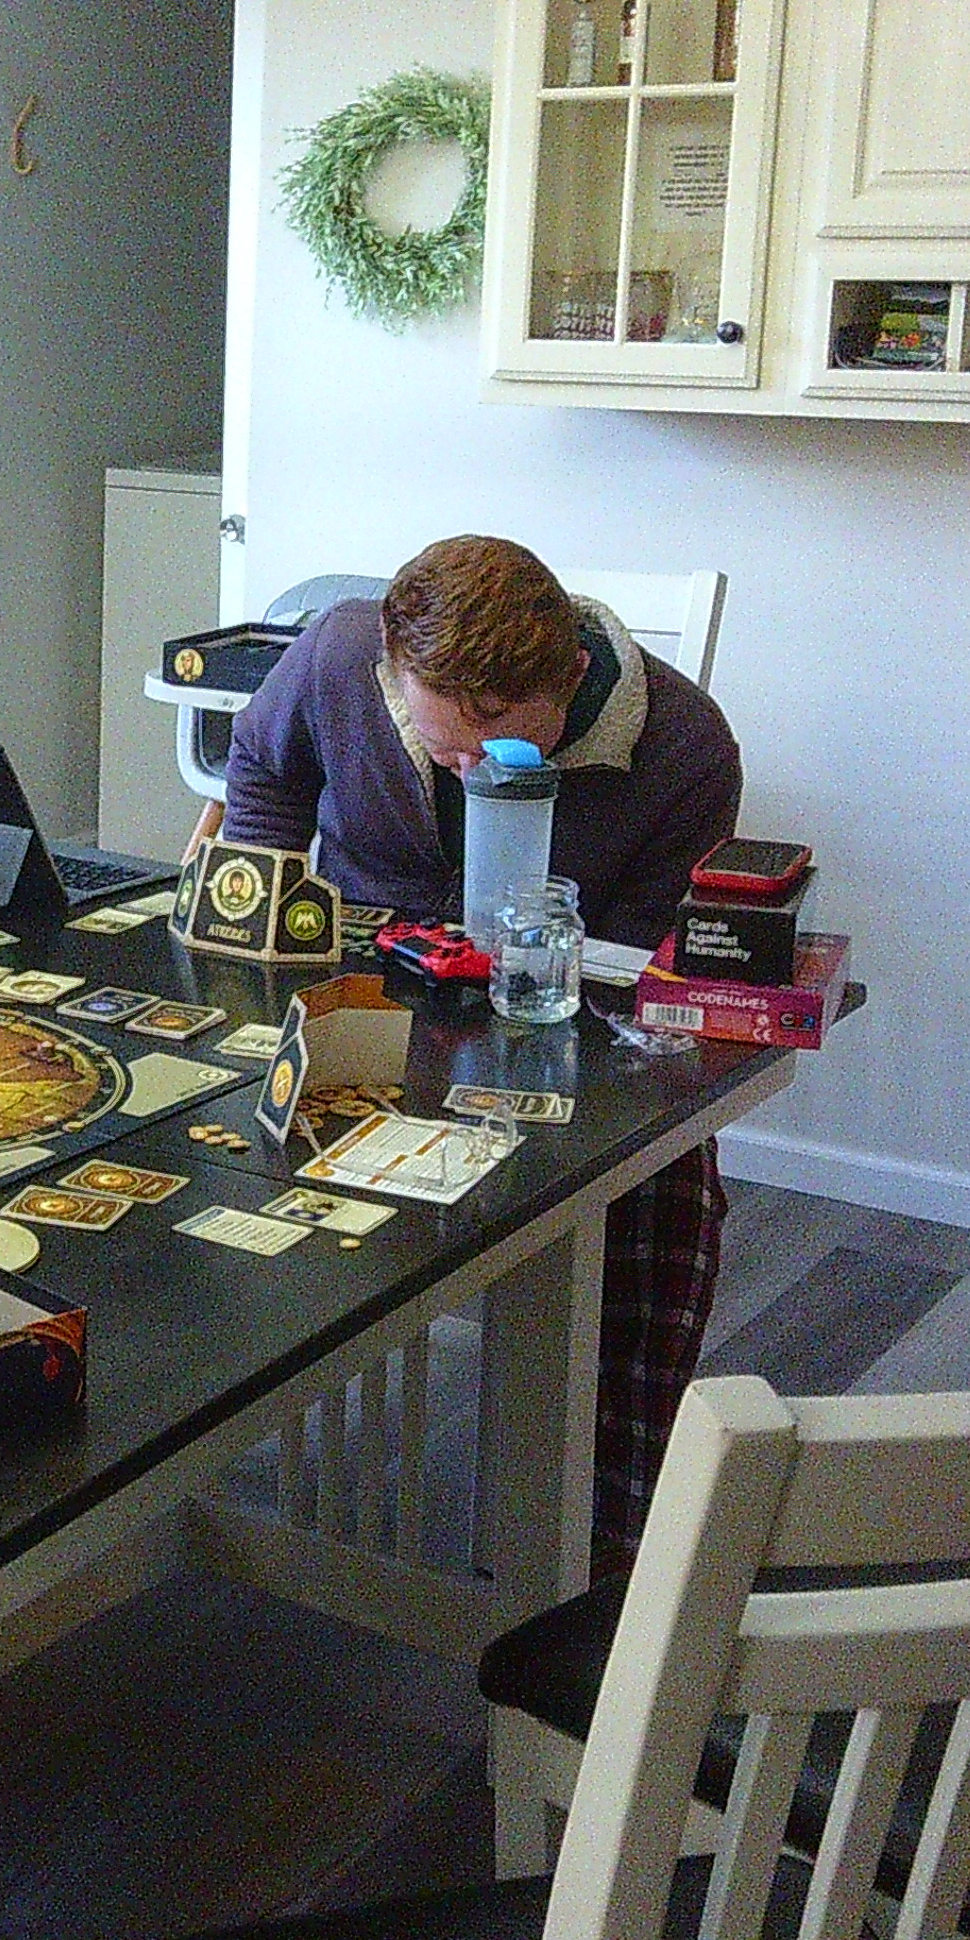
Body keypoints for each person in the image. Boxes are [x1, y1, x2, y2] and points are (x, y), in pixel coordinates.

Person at [223, 534, 743, 1574]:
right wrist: (258, 907)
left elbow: (635, 973)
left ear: (566, 678)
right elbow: (263, 770)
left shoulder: (686, 744)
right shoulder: (338, 656)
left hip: (549, 1025)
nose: (466, 769)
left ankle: (606, 1552)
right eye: (441, 744)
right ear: (393, 670)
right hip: (358, 999)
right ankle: (205, 1449)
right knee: (198, 1126)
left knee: (667, 1200)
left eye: (492, 743)